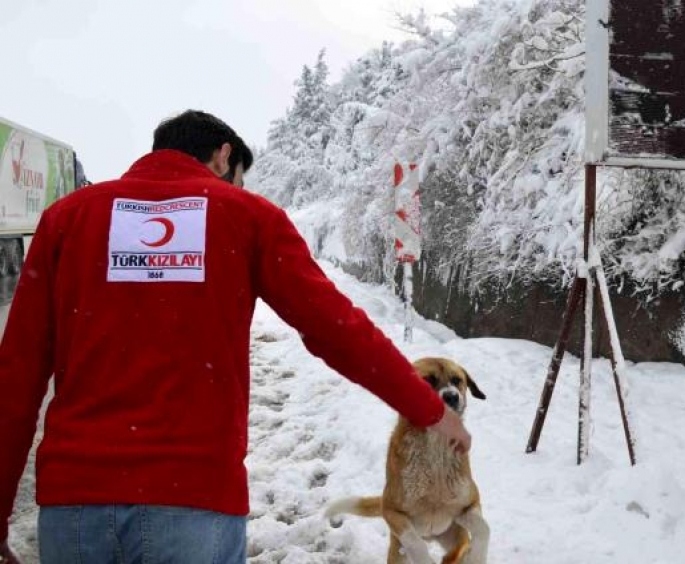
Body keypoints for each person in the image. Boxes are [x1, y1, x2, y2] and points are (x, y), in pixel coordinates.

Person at [0, 110, 471, 563]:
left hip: (75, 510)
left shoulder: (67, 218)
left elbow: (16, 376)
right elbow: (337, 328)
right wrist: (429, 410)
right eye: (238, 175)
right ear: (223, 156)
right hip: (194, 503)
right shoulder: (244, 214)